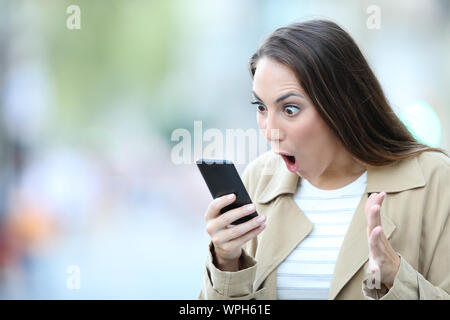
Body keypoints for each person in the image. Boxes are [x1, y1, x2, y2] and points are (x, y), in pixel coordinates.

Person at [198, 19, 450, 300]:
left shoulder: (434, 180)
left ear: (341, 106)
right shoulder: (259, 180)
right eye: (261, 107)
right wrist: (226, 262)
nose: (270, 131)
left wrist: (396, 278)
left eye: (290, 109)